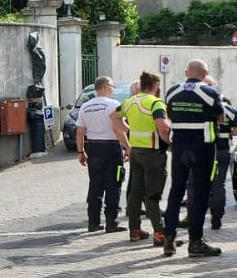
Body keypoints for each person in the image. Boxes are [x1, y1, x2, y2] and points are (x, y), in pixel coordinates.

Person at [161, 60, 223, 257]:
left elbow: (170, 114)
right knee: (200, 194)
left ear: (187, 72)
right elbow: (220, 118)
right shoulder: (211, 92)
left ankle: (169, 237)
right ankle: (195, 242)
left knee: (176, 190)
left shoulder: (172, 91)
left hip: (179, 147)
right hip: (203, 147)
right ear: (205, 74)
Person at [111, 70, 171, 247]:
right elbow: (162, 127)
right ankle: (160, 232)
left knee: (136, 192)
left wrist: (127, 132)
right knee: (152, 195)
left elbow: (113, 117)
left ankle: (135, 230)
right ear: (155, 85)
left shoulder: (130, 101)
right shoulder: (155, 103)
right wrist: (170, 142)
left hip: (136, 151)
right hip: (153, 153)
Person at [76, 76, 129, 232]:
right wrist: (127, 147)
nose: (113, 89)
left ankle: (93, 222)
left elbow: (80, 132)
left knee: (95, 185)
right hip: (111, 148)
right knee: (114, 184)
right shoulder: (113, 105)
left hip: (93, 147)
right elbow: (117, 129)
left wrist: (81, 151)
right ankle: (111, 222)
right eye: (112, 86)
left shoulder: (85, 106)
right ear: (105, 87)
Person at [203, 76, 237, 230]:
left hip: (204, 150)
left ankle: (195, 216)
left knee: (199, 184)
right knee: (219, 185)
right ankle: (217, 217)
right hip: (222, 151)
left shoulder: (202, 107)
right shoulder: (229, 110)